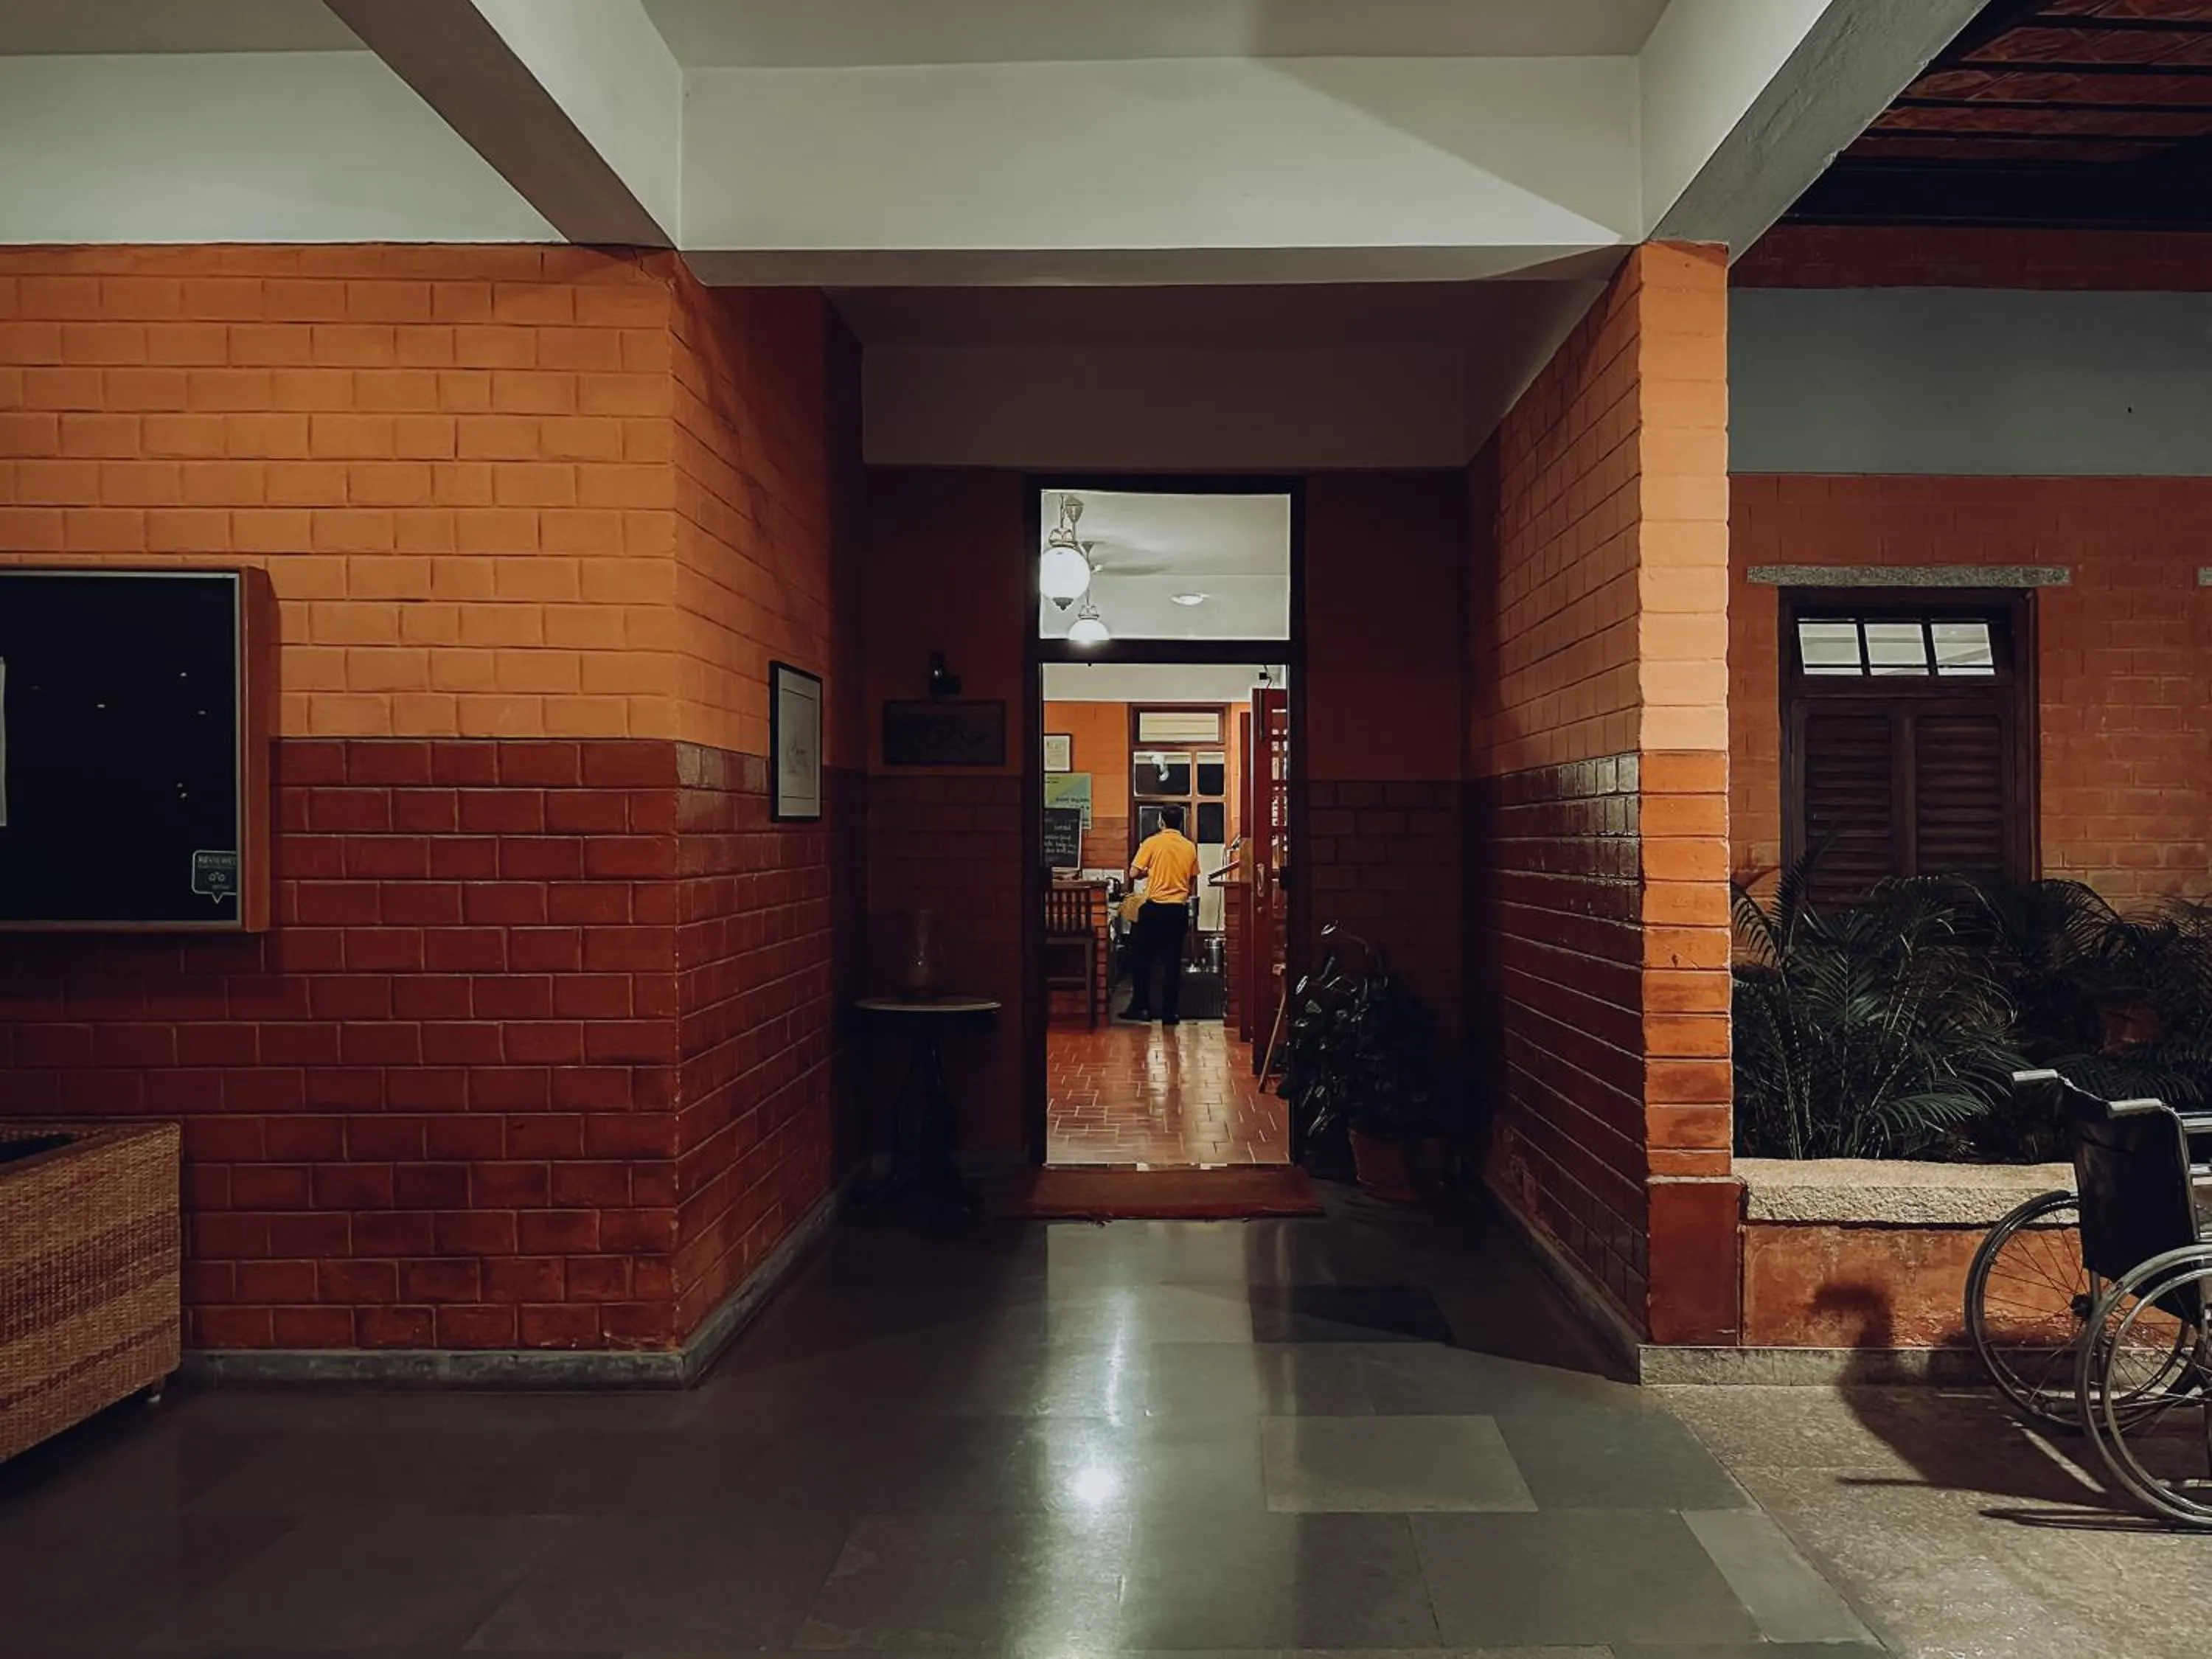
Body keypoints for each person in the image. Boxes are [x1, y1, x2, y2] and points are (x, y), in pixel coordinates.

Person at [1122, 805, 1199, 1026]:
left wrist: (1150, 871)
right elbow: (1192, 878)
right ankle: (1169, 1013)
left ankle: (1142, 1007)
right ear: (1181, 823)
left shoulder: (1152, 843)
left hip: (1154, 909)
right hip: (1177, 910)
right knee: (1173, 963)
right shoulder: (1189, 847)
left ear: (1161, 822)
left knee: (1142, 960)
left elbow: (1134, 873)